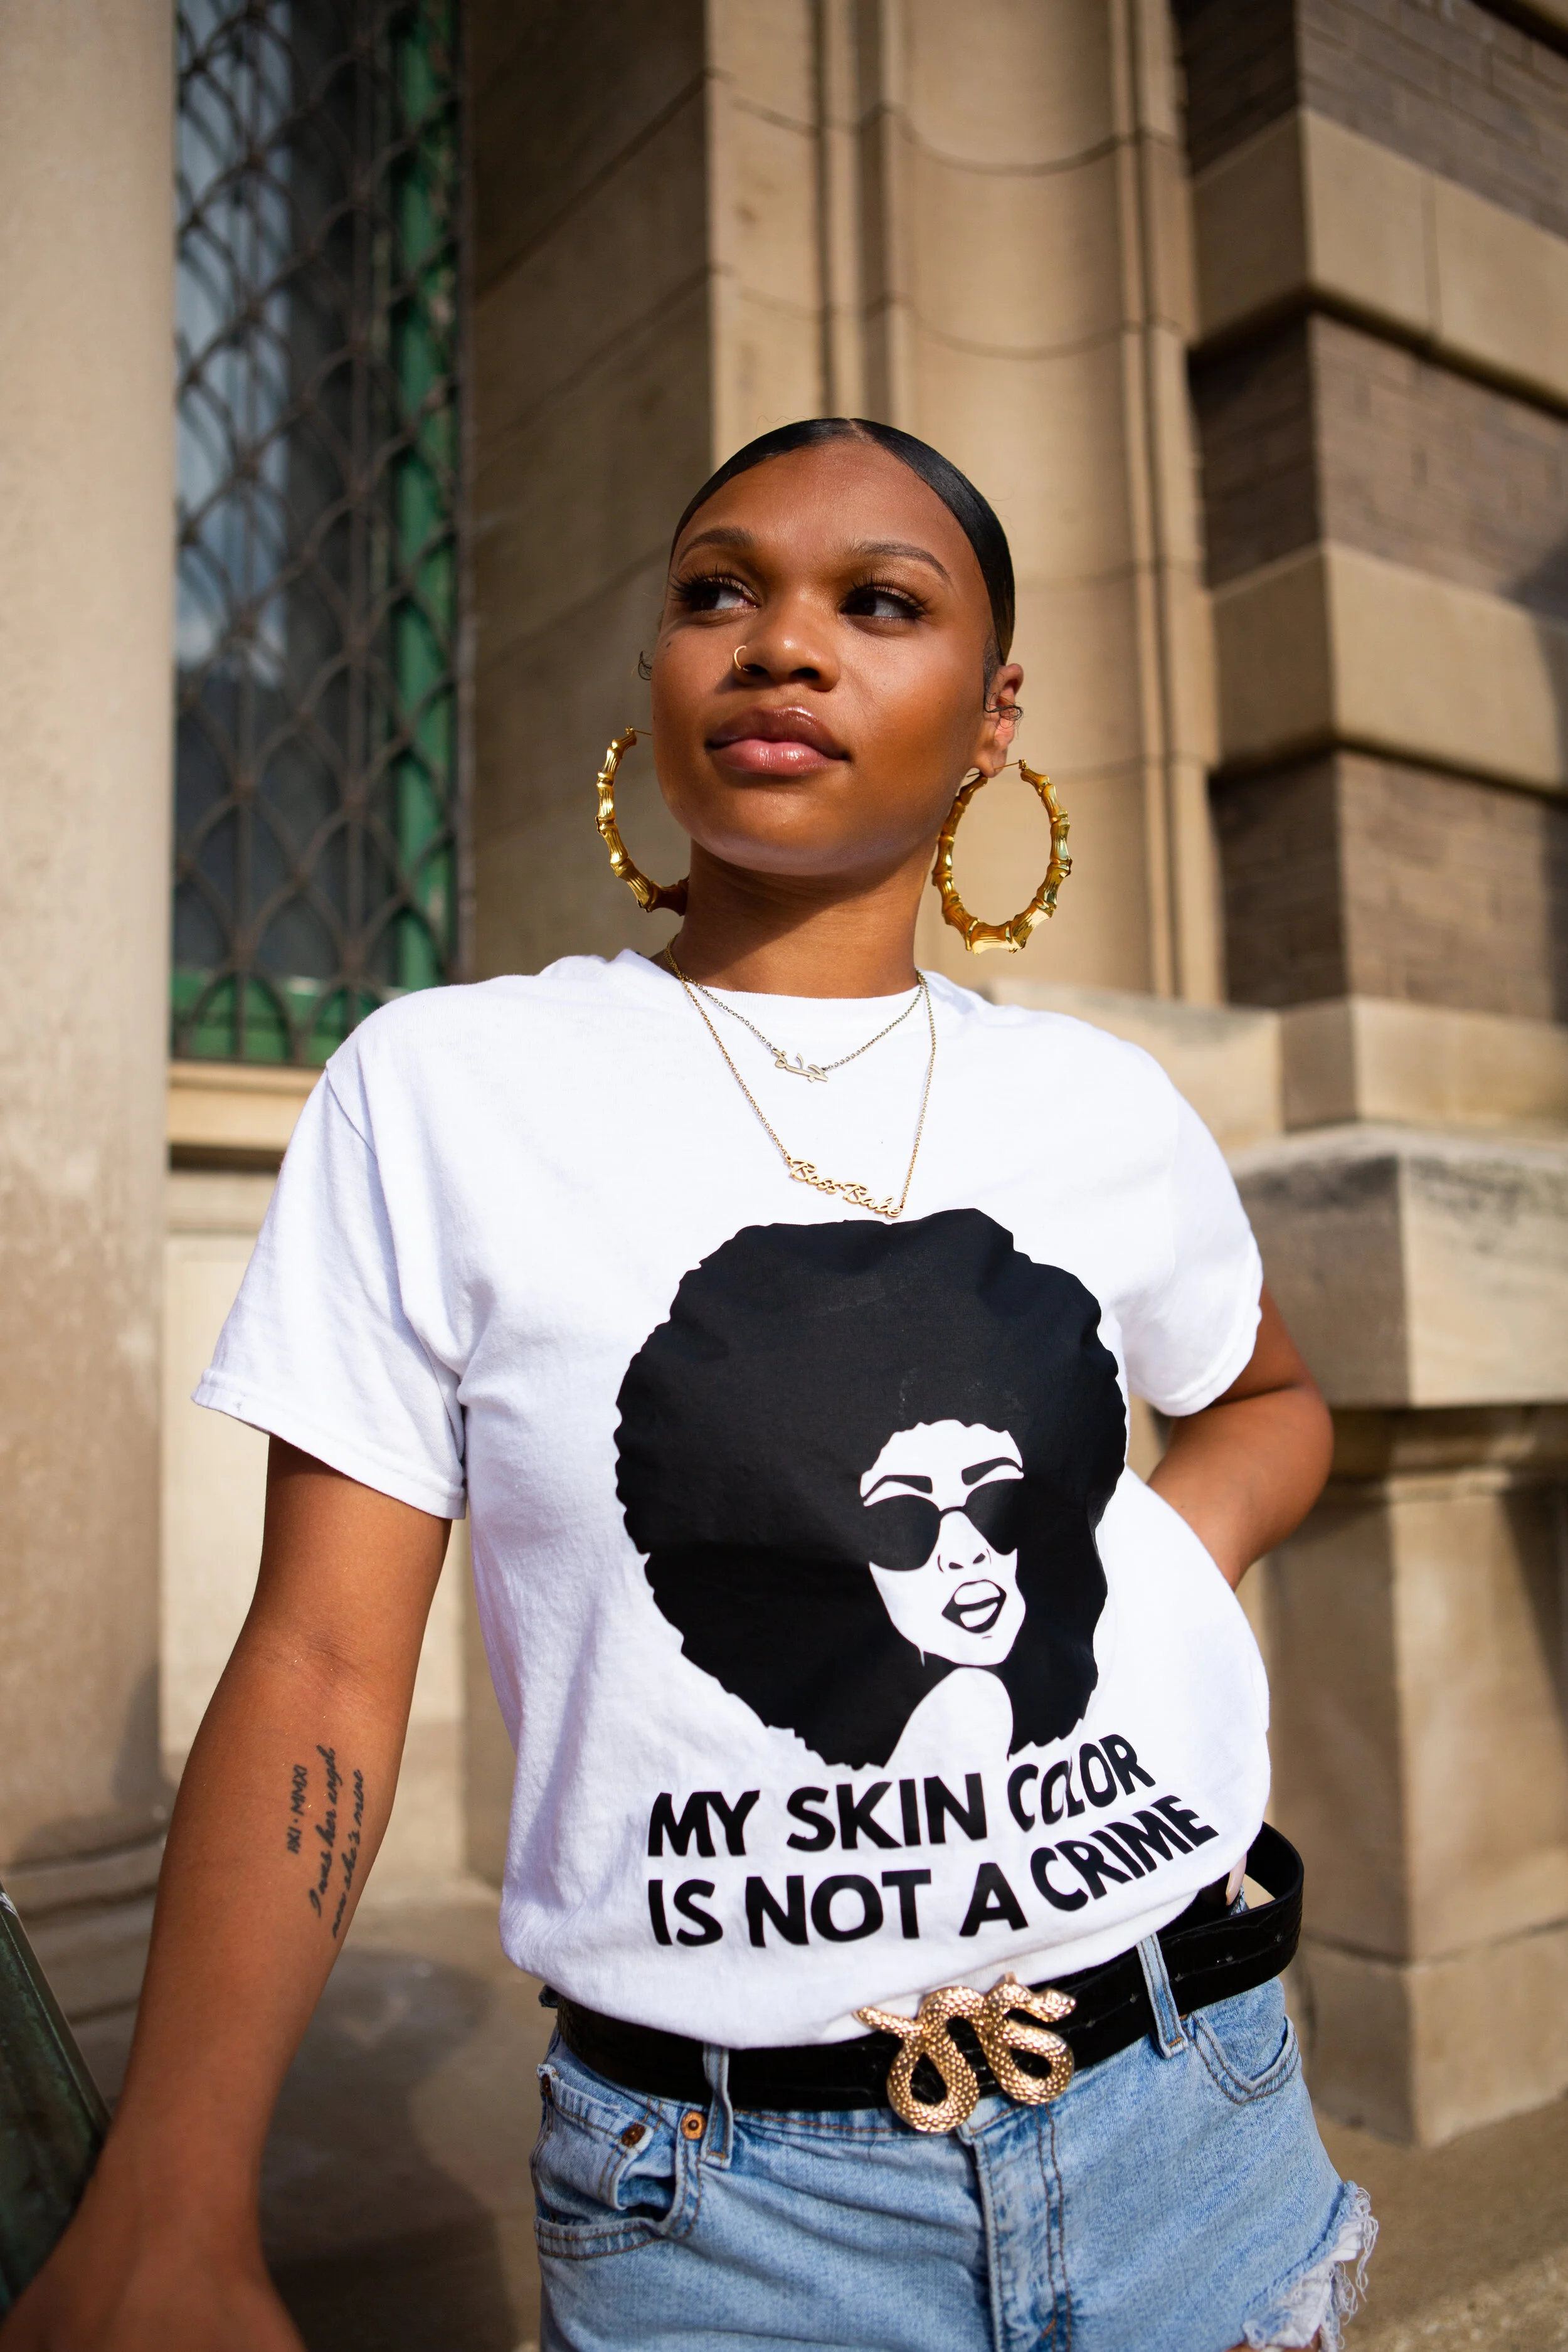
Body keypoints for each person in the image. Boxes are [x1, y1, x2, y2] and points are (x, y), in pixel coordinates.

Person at [5, 416, 1375, 2352]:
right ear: (654, 669)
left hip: (1194, 2109)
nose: (778, 643)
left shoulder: (1098, 1108)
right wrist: (174, 2195)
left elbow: (1269, 1402)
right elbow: (319, 1658)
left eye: (874, 603)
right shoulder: (447, 1090)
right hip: (727, 2210)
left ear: (992, 720)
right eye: (716, 590)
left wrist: (1146, 1558)